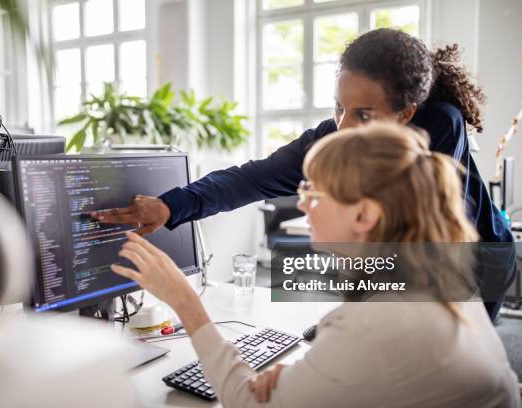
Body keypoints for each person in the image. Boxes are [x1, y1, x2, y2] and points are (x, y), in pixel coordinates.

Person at [95, 28, 515, 320]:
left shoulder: (439, 123)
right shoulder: (335, 134)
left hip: (478, 256)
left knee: (448, 365)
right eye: (339, 107)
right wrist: (170, 206)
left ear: (405, 113)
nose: (345, 125)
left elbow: (422, 237)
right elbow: (253, 177)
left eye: (364, 114)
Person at [111, 123, 520, 407]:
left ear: (363, 216)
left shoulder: (378, 322)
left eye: (314, 191)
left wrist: (184, 301)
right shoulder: (437, 276)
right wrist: (307, 378)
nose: (302, 202)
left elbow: (244, 400)